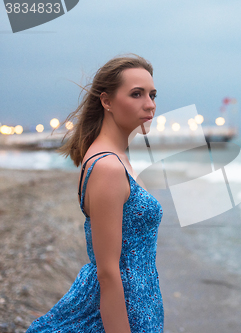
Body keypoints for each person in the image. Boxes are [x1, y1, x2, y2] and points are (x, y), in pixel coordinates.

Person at [26, 54, 164, 332]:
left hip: (137, 303)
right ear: (107, 101)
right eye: (136, 94)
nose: (150, 105)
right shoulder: (108, 167)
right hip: (122, 312)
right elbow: (107, 271)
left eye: (152, 94)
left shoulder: (115, 157)